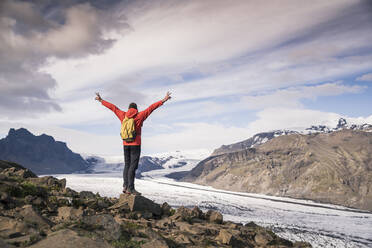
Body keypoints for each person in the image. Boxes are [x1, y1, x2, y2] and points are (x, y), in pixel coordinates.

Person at [95, 92, 172, 195]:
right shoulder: (140, 116)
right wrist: (163, 100)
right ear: (136, 109)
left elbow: (113, 108)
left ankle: (125, 186)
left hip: (125, 144)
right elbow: (151, 108)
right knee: (133, 166)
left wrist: (101, 100)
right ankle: (130, 188)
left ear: (128, 109)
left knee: (127, 165)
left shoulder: (123, 115)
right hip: (135, 144)